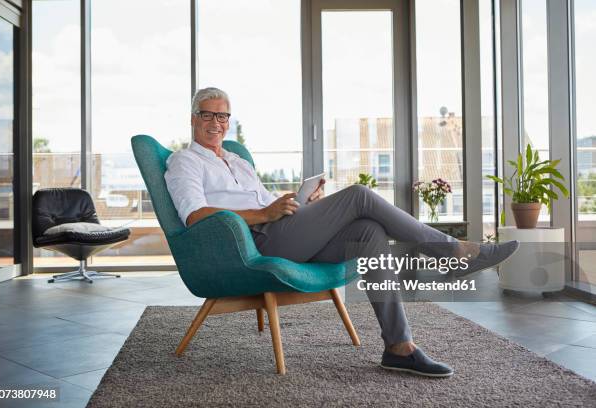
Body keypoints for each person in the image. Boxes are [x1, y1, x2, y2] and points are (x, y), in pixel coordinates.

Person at [165, 87, 519, 377]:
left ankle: (399, 346)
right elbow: (196, 216)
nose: (216, 123)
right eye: (207, 114)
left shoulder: (237, 160)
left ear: (229, 120)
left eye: (222, 115)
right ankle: (453, 252)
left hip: (280, 231)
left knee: (368, 230)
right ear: (193, 118)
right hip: (253, 245)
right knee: (360, 196)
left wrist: (302, 203)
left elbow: (270, 205)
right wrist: (264, 212)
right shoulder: (184, 162)